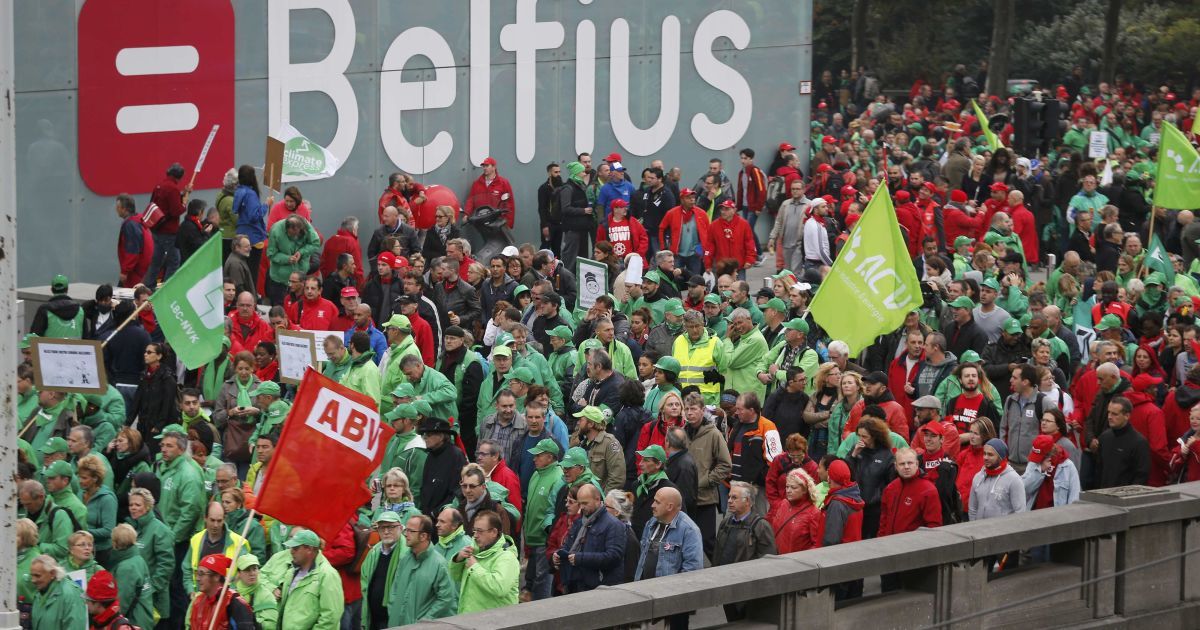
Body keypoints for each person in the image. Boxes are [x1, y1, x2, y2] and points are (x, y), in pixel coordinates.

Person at [635, 487, 703, 628]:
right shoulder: (651, 523)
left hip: (672, 603)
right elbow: (643, 557)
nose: (652, 505)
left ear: (670, 506)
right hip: (646, 596)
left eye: (657, 502)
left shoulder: (689, 530)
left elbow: (692, 570)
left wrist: (672, 597)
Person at [553, 484, 626, 593]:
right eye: (580, 503)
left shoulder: (614, 525)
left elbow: (613, 557)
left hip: (599, 590)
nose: (581, 507)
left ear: (597, 500)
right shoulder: (579, 522)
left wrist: (580, 558)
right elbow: (568, 546)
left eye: (585, 503)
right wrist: (558, 555)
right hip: (576, 585)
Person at [387, 514, 458, 625]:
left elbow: (446, 599)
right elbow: (394, 591)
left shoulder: (439, 564)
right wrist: (393, 613)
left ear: (423, 536)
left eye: (411, 531)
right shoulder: (405, 559)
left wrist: (424, 622)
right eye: (406, 530)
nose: (405, 534)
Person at [449, 510, 520, 614]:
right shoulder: (475, 552)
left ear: (494, 532)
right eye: (474, 530)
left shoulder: (507, 557)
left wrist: (474, 567)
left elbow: (499, 588)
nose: (475, 536)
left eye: (480, 531)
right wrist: (457, 560)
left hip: (496, 622)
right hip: (471, 619)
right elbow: (455, 578)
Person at [277, 530, 344, 629]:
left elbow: (331, 617)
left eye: (295, 548)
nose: (291, 551)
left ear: (309, 549)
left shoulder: (328, 575)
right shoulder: (290, 573)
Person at [126, 487, 173, 623]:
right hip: (136, 597)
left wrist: (149, 589)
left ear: (147, 507)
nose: (133, 508)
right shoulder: (131, 528)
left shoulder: (160, 530)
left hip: (154, 600)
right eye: (131, 504)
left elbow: (166, 566)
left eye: (138, 505)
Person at [185, 553, 257, 630]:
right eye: (197, 574)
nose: (197, 578)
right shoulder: (198, 602)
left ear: (216, 577)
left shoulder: (235, 603)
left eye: (201, 574)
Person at [105, 525, 155, 630]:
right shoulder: (138, 558)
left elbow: (122, 601)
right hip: (144, 617)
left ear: (115, 543)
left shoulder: (126, 568)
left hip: (134, 621)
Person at [1096, 396, 1151, 488]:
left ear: (1127, 416)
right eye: (1108, 412)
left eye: (1115, 414)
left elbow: (1141, 476)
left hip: (1127, 498)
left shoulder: (1139, 442)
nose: (1109, 417)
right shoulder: (1104, 438)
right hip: (1104, 496)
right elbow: (1099, 470)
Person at [969, 439, 1026, 521]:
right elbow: (972, 509)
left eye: (990, 455)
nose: (985, 457)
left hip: (1002, 532)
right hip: (979, 531)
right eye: (984, 454)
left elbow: (1020, 512)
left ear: (1001, 457)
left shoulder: (1014, 479)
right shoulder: (978, 477)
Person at [1021, 434, 1081, 511]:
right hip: (1033, 514)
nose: (1037, 459)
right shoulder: (1034, 463)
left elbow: (1074, 497)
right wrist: (1041, 471)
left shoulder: (1068, 466)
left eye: (1039, 456)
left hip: (1056, 517)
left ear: (1050, 453)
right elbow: (1025, 489)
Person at [769, 468, 822, 554]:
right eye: (787, 486)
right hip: (778, 560)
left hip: (798, 564)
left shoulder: (813, 513)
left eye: (793, 487)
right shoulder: (783, 504)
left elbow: (817, 545)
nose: (788, 491)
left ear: (804, 490)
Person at [29, 554, 88, 630]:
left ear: (52, 573)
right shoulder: (40, 592)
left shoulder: (71, 594)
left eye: (37, 576)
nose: (33, 580)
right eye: (32, 576)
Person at [465, 156, 516, 228]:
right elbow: (471, 200)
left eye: (487, 166)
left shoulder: (503, 183)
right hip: (481, 222)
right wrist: (466, 214)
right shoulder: (477, 183)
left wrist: (508, 223)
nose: (484, 168)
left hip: (498, 222)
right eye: (483, 166)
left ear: (494, 167)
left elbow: (509, 204)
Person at [232, 554, 278, 630]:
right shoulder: (232, 593)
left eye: (254, 569)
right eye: (247, 570)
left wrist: (253, 625)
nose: (252, 573)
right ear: (239, 573)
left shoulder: (266, 595)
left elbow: (271, 625)